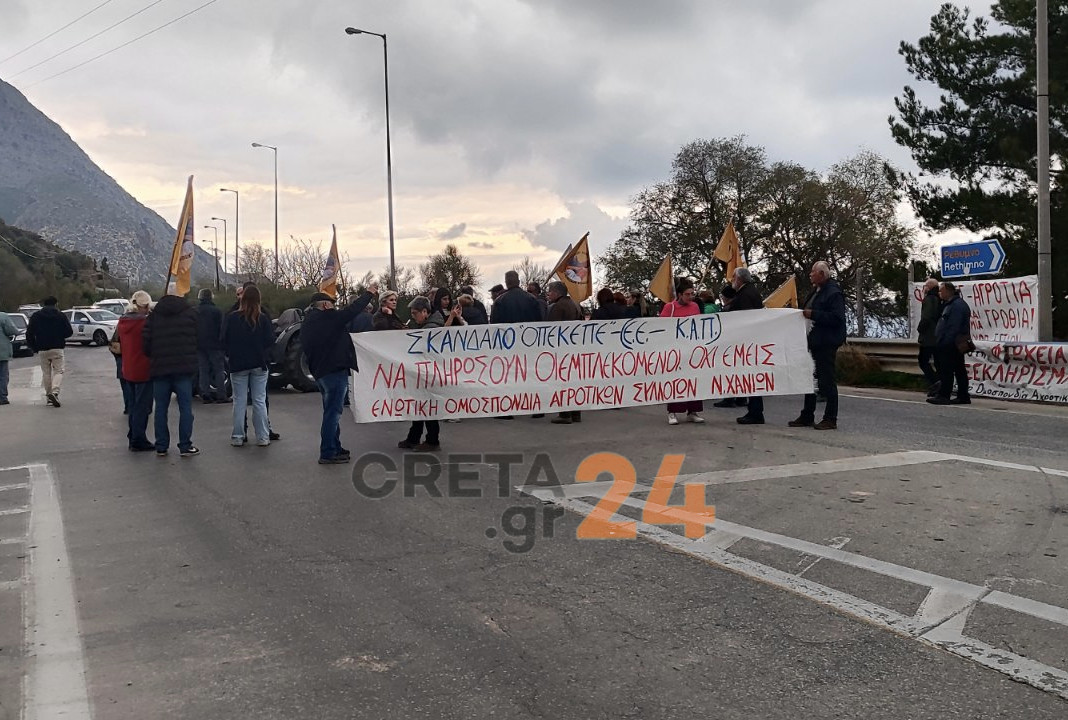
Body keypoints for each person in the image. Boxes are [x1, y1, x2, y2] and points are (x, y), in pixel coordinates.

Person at [301, 285, 378, 465]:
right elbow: (352, 310)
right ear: (326, 306)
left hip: (320, 372)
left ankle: (335, 446)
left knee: (330, 410)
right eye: (332, 304)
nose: (335, 308)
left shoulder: (308, 323)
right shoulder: (329, 319)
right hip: (334, 370)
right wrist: (368, 294)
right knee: (333, 413)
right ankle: (328, 452)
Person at [789, 261, 846, 430]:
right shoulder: (817, 290)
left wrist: (813, 314)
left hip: (826, 342)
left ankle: (830, 418)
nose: (810, 275)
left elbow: (837, 318)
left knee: (827, 380)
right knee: (809, 378)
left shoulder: (833, 293)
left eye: (813, 272)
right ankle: (807, 414)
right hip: (814, 341)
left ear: (821, 274)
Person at [143, 289, 200, 456]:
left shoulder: (154, 316)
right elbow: (198, 337)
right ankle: (185, 445)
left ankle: (161, 445)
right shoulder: (190, 314)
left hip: (160, 368)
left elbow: (145, 343)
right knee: (185, 408)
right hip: (183, 368)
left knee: (161, 408)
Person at [222, 285, 275, 446]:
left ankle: (238, 436)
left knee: (239, 401)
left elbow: (223, 340)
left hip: (238, 365)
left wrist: (230, 354)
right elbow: (270, 341)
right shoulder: (263, 319)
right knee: (259, 401)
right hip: (259, 364)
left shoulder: (232, 318)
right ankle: (263, 437)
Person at [397, 296, 444, 450]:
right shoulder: (428, 326)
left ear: (425, 312)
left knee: (427, 406)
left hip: (429, 374)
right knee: (421, 405)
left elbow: (423, 350)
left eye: (415, 313)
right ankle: (414, 437)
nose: (413, 316)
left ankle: (432, 440)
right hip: (424, 373)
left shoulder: (431, 328)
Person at [724, 268, 768, 425]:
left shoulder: (745, 294)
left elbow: (745, 319)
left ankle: (755, 412)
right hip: (751, 342)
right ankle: (754, 411)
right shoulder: (751, 291)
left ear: (740, 279)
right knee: (751, 378)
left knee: (752, 378)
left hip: (747, 343)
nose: (732, 280)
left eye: (734, 277)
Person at [659, 279, 705, 425]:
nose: (690, 297)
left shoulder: (695, 306)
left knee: (693, 380)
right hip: (675, 350)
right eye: (687, 294)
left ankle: (692, 411)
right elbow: (662, 328)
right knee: (675, 380)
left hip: (691, 350)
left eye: (692, 294)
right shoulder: (669, 308)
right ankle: (672, 412)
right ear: (679, 294)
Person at [117, 292, 155, 450]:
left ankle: (133, 434)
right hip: (143, 368)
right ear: (145, 306)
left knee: (133, 405)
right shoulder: (145, 323)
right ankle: (138, 439)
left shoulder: (122, 322)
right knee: (143, 406)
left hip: (128, 368)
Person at [928, 282, 972, 406]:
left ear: (948, 291)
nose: (939, 293)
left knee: (947, 370)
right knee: (959, 370)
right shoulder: (953, 304)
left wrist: (944, 342)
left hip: (951, 344)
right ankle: (963, 396)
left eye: (941, 291)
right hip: (954, 343)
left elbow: (953, 327)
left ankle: (944, 395)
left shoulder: (956, 306)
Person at [546, 281, 584, 424]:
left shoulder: (557, 307)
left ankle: (565, 414)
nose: (549, 294)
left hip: (562, 350)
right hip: (574, 349)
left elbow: (551, 329)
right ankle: (576, 413)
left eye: (550, 291)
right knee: (573, 381)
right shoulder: (575, 304)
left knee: (563, 382)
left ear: (557, 293)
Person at [25, 296, 73, 407]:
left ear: (43, 304)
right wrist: (60, 336)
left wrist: (34, 347)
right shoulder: (60, 316)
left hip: (42, 348)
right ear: (56, 304)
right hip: (57, 347)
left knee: (46, 373)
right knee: (59, 371)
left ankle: (49, 396)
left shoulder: (36, 316)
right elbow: (69, 332)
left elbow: (29, 334)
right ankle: (55, 392)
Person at [195, 288, 228, 403]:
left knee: (203, 370)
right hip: (215, 345)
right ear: (211, 297)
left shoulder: (195, 311)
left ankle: (205, 394)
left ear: (200, 297)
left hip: (199, 345)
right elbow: (222, 329)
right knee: (219, 370)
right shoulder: (217, 311)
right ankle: (221, 395)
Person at [916, 278, 941, 396]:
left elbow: (926, 318)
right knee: (938, 362)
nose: (924, 288)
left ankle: (936, 382)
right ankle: (940, 384)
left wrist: (920, 329)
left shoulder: (929, 299)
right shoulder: (939, 299)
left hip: (929, 337)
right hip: (938, 336)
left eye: (925, 286)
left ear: (929, 287)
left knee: (923, 361)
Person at [0, 311, 17, 406]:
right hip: (1, 351)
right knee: (2, 375)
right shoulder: (3, 317)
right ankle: (2, 397)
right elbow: (12, 330)